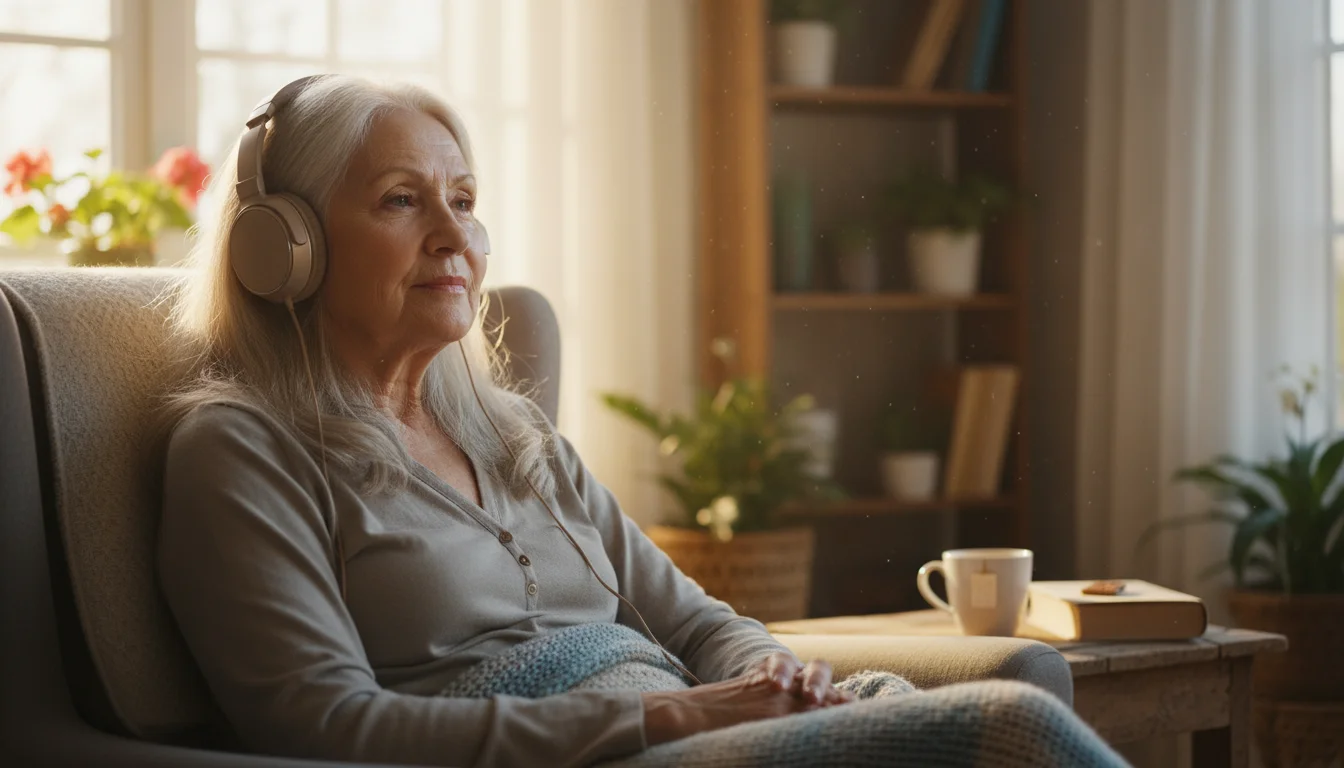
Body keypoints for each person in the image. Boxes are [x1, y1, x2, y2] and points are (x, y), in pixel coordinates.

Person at [158, 75, 1127, 768]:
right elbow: (328, 724)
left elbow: (698, 623)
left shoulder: (514, 435)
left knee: (976, 717)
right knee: (1012, 731)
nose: (456, 238)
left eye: (463, 201)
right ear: (286, 249)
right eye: (404, 202)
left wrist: (783, 684)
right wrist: (668, 720)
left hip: (692, 721)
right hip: (612, 752)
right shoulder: (241, 450)